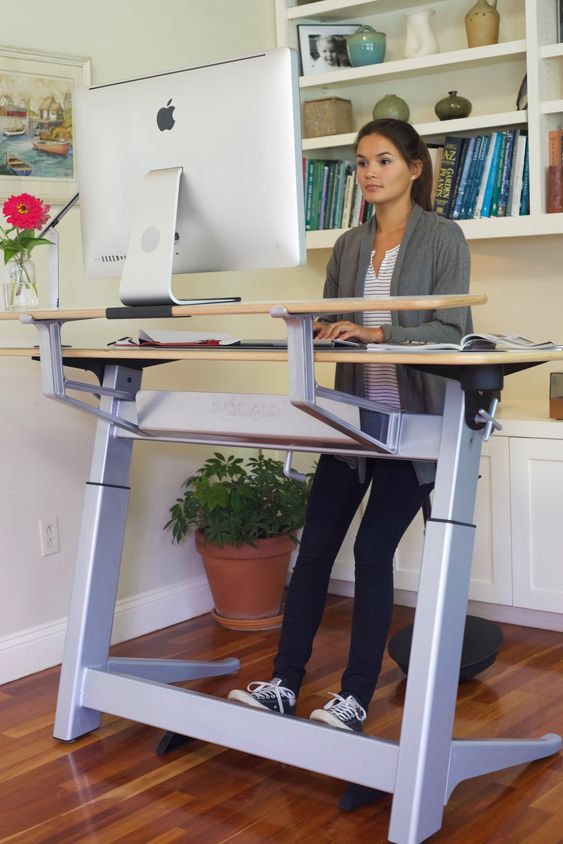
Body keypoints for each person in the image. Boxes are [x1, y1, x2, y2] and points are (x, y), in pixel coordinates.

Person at [228, 118, 472, 733]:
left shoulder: (444, 238)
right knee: (312, 554)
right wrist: (313, 327)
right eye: (362, 163)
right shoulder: (346, 245)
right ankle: (284, 684)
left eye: (384, 161)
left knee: (370, 551)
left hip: (412, 430)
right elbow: (335, 324)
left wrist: (378, 332)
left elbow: (452, 333)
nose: (369, 173)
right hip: (353, 424)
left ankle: (355, 697)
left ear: (415, 169)